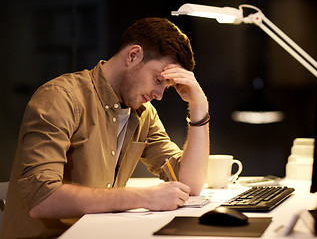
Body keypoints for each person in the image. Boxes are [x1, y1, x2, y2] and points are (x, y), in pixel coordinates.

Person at [1, 17, 209, 238]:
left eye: (166, 88)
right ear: (133, 55)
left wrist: (199, 107)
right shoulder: (60, 98)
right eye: (158, 80)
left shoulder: (143, 114)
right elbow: (41, 199)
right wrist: (144, 198)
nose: (158, 95)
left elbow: (190, 185)